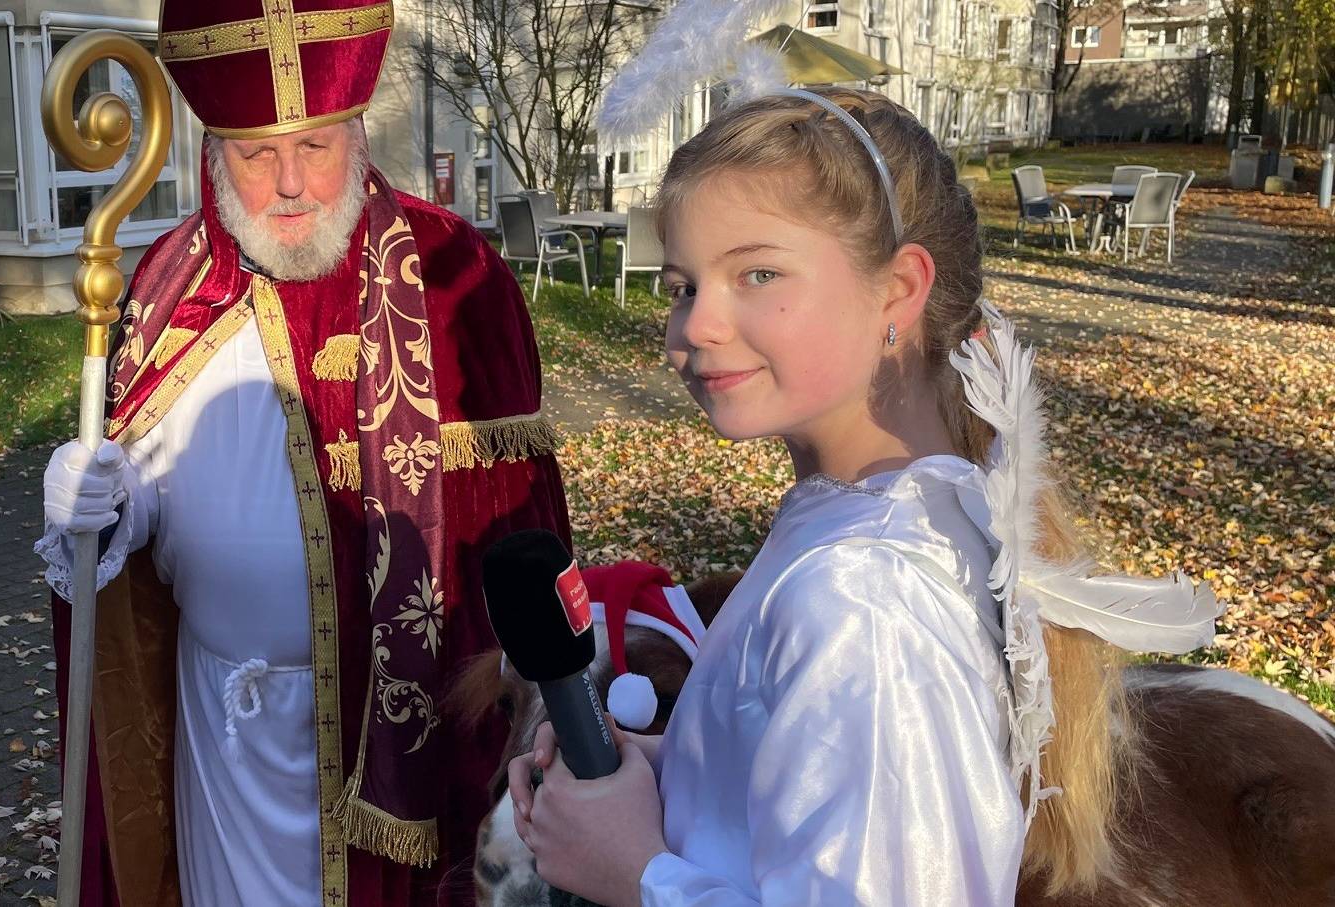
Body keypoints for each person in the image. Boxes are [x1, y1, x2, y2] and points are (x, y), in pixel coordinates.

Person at [507, 87, 1219, 906]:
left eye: (758, 272)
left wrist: (637, 872)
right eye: (682, 285)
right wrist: (675, 771)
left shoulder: (865, 598)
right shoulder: (887, 518)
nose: (696, 324)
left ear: (898, 289)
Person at [33, 2, 570, 904]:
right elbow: (147, 500)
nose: (290, 183)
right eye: (256, 153)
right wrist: (105, 502)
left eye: (315, 148)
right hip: (222, 741)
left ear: (356, 135)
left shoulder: (456, 278)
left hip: (402, 747)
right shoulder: (172, 283)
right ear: (215, 154)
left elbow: (519, 537)